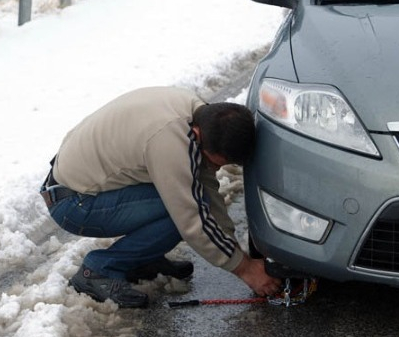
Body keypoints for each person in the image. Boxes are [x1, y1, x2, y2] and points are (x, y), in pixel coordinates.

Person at [40, 86, 281, 308]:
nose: (215, 168)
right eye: (214, 162)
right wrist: (246, 269)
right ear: (198, 134)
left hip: (83, 185)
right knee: (180, 210)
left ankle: (140, 259)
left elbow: (205, 185)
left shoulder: (201, 116)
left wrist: (235, 249)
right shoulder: (170, 141)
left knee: (190, 198)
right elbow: (192, 218)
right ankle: (98, 270)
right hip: (74, 203)